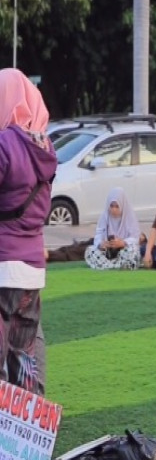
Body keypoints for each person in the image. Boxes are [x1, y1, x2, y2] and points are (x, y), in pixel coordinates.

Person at [0, 68, 57, 395]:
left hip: (3, 265)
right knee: (23, 360)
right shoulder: (45, 147)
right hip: (32, 271)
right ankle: (27, 423)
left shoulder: (5, 144)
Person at [85, 187, 141, 270]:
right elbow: (99, 234)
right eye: (111, 206)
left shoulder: (129, 216)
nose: (114, 209)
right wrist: (101, 244)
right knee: (90, 251)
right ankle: (113, 265)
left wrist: (123, 243)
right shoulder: (104, 216)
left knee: (133, 250)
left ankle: (109, 265)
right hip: (107, 252)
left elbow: (135, 238)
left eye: (117, 206)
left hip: (123, 250)